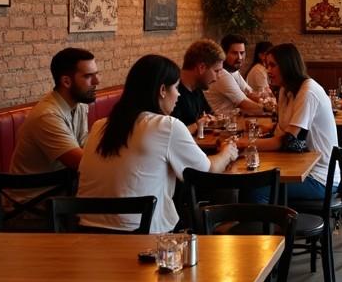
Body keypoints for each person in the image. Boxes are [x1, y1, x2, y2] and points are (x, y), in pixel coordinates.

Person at [77, 54, 238, 233]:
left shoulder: (99, 125)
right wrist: (227, 151)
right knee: (221, 200)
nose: (178, 94)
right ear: (162, 90)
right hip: (141, 234)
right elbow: (207, 171)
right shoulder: (166, 125)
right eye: (176, 88)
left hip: (87, 230)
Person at [251, 44, 339, 201]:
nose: (268, 71)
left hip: (320, 178)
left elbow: (287, 140)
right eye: (267, 66)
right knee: (252, 181)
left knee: (256, 189)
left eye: (272, 65)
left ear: (287, 66)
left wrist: (244, 144)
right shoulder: (285, 89)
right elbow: (281, 131)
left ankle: (273, 224)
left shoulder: (308, 91)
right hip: (300, 166)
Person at [10, 47, 100, 177]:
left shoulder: (79, 105)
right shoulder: (47, 116)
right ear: (66, 81)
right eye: (88, 76)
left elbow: (84, 147)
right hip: (37, 194)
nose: (97, 81)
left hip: (65, 186)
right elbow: (82, 163)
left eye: (96, 74)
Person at [204, 34, 266, 117]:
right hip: (222, 125)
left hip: (234, 121)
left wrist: (265, 100)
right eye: (234, 53)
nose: (240, 57)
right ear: (224, 53)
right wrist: (270, 109)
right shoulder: (221, 74)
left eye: (242, 53)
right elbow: (244, 103)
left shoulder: (233, 71)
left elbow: (249, 93)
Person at [170, 39, 224, 134]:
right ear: (201, 68)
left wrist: (212, 119)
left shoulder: (197, 87)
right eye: (216, 71)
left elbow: (211, 115)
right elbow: (172, 134)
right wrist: (198, 125)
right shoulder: (172, 93)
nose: (218, 77)